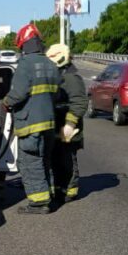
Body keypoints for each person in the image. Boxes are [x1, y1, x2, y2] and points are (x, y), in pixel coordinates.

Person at [2, 23, 63, 215]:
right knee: (44, 160)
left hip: (30, 124)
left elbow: (18, 94)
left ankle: (38, 202)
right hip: (49, 122)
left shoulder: (25, 65)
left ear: (24, 45)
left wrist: (6, 101)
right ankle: (49, 194)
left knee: (30, 162)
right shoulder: (51, 65)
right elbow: (57, 94)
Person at [46, 43, 88, 202]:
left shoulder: (71, 77)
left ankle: (70, 191)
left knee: (67, 160)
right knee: (56, 159)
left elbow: (79, 102)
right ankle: (59, 189)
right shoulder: (59, 74)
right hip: (58, 124)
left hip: (68, 126)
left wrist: (70, 125)